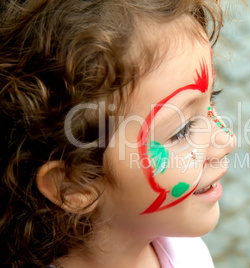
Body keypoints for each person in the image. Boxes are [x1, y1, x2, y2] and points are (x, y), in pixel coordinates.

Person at [0, 0, 236, 267]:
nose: (227, 140)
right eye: (181, 130)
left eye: (211, 99)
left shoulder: (186, 252)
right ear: (74, 185)